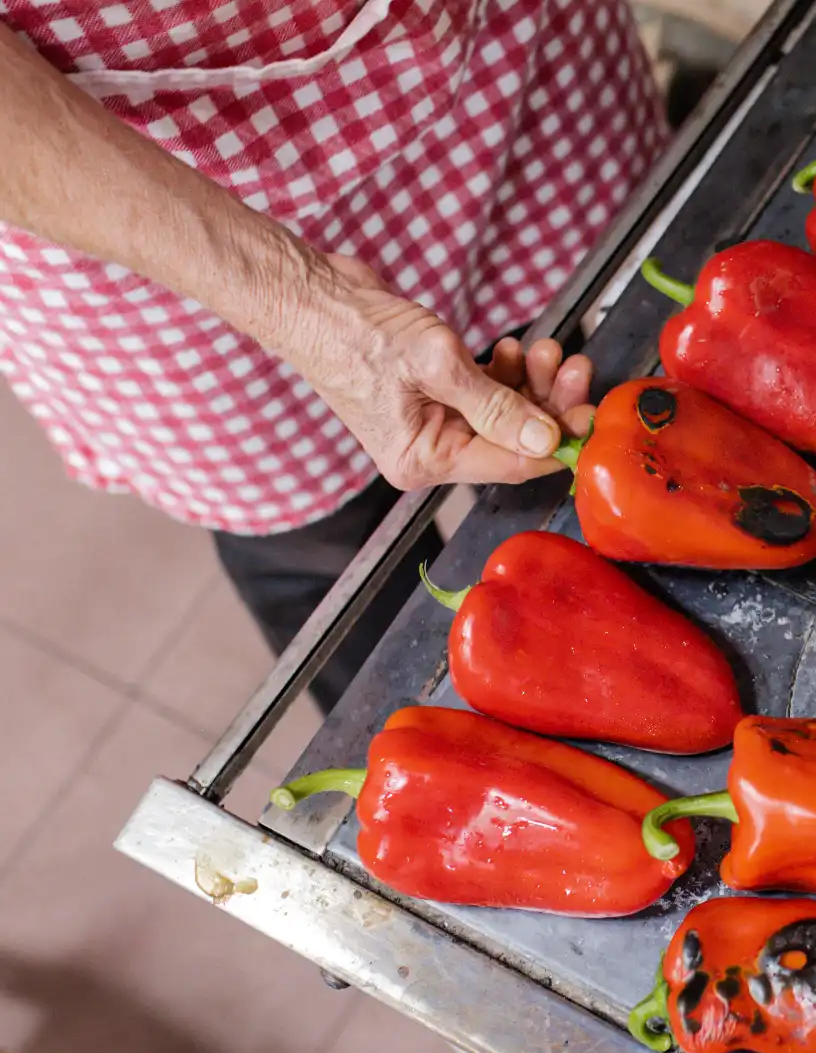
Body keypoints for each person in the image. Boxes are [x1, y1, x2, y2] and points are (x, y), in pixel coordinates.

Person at [0, 0, 669, 710]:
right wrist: (301, 304)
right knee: (327, 556)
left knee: (595, 378)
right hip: (136, 210)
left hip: (492, 55)